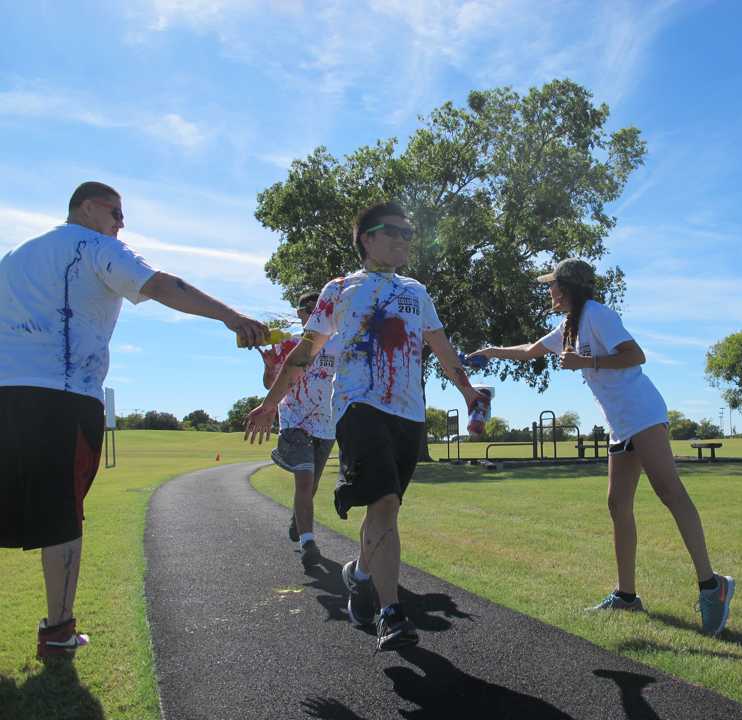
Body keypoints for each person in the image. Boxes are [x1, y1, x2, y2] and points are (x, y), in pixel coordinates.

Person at [0, 181, 267, 660]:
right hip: (63, 398)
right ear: (85, 206)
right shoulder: (97, 247)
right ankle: (58, 630)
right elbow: (162, 285)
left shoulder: (16, 255)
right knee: (63, 516)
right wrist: (231, 316)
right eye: (115, 212)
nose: (121, 223)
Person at [244, 201, 483, 652]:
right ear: (366, 239)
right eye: (391, 231)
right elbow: (303, 354)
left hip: (408, 416)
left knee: (385, 511)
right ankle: (390, 613)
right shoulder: (338, 290)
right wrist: (269, 404)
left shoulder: (417, 292)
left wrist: (468, 391)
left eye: (408, 233)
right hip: (358, 407)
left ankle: (358, 574)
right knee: (385, 499)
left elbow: (442, 347)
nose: (402, 239)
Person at [468, 258, 735, 635]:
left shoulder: (597, 314)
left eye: (552, 285)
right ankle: (626, 596)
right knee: (617, 504)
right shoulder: (569, 326)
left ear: (568, 287)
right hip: (620, 424)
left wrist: (584, 361)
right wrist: (491, 351)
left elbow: (635, 355)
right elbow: (530, 350)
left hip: (642, 413)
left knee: (670, 492)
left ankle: (713, 587)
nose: (549, 291)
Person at [258, 290, 338, 568]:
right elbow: (270, 385)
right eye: (309, 309)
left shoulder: (336, 344)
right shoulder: (287, 345)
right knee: (304, 480)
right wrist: (269, 369)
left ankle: (297, 520)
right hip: (294, 422)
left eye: (319, 309)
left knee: (312, 485)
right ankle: (308, 543)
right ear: (300, 314)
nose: (315, 313)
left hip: (326, 425)